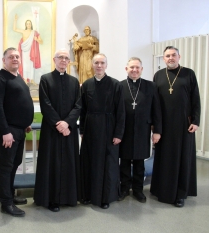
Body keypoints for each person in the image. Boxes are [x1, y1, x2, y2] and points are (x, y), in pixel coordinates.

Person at [150, 46, 201, 207]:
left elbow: (195, 99)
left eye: (173, 55)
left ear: (179, 56)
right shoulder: (158, 75)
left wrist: (196, 121)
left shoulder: (189, 73)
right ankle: (161, 190)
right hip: (163, 125)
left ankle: (180, 193)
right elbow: (154, 103)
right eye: (167, 56)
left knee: (182, 158)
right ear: (163, 59)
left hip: (183, 125)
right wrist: (154, 126)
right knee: (164, 159)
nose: (170, 58)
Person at [34, 49, 81, 212]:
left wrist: (67, 123)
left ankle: (69, 197)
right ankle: (52, 199)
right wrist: (59, 125)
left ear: (69, 62)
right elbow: (45, 105)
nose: (63, 60)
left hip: (69, 131)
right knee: (51, 163)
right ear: (54, 60)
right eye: (60, 57)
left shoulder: (74, 81)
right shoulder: (45, 79)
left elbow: (78, 105)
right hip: (52, 131)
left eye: (66, 58)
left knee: (69, 162)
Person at [0, 47, 34, 217]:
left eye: (17, 56)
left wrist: (24, 123)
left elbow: (17, 102)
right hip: (8, 131)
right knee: (6, 166)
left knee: (14, 164)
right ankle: (6, 203)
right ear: (4, 60)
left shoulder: (17, 76)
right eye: (11, 57)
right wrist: (5, 131)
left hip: (19, 129)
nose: (15, 59)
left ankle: (10, 194)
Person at [79, 53, 125, 209]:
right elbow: (83, 110)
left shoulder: (115, 84)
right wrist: (82, 130)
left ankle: (106, 196)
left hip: (109, 128)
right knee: (89, 162)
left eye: (102, 63)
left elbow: (121, 112)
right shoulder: (86, 85)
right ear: (92, 65)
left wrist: (118, 134)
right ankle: (87, 195)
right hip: (91, 128)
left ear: (106, 65)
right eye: (96, 63)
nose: (99, 65)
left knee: (108, 164)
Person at [119, 57, 162, 203]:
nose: (134, 70)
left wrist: (157, 131)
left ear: (141, 69)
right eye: (131, 67)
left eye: (137, 67)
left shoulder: (151, 86)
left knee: (139, 161)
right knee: (124, 160)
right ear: (126, 69)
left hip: (143, 129)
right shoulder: (120, 86)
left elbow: (157, 110)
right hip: (124, 130)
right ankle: (124, 188)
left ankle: (138, 190)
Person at [13, 14, 42, 83]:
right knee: (25, 65)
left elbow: (41, 41)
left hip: (31, 51)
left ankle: (31, 79)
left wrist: (36, 39)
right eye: (27, 24)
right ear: (25, 25)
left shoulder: (34, 32)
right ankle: (25, 79)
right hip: (24, 50)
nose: (28, 25)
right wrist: (15, 20)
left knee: (30, 64)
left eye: (29, 24)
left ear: (31, 25)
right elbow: (15, 29)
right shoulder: (23, 31)